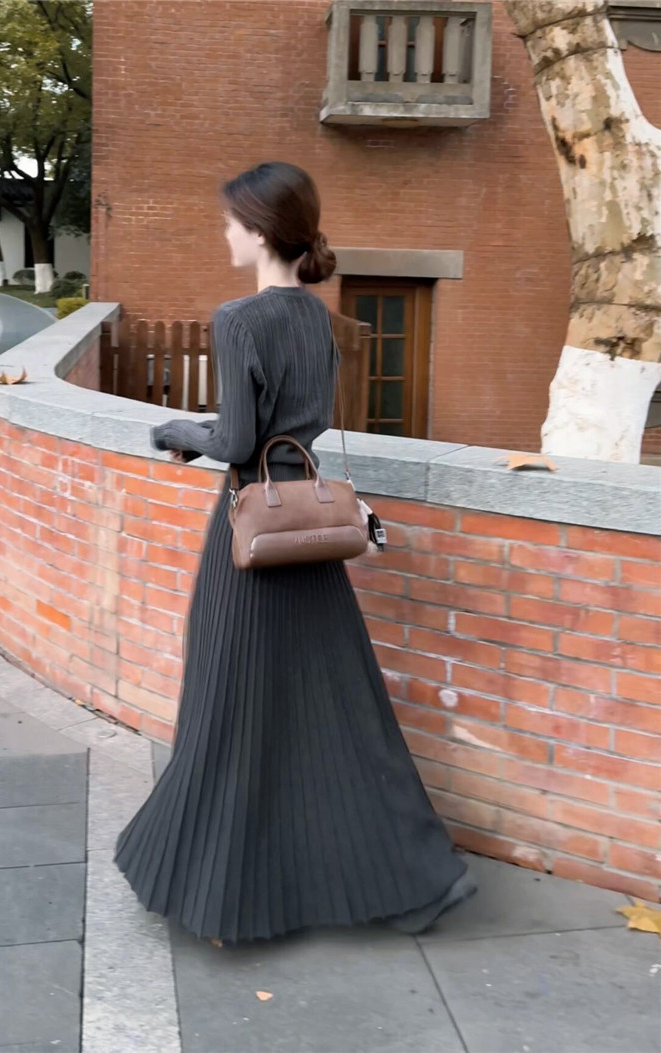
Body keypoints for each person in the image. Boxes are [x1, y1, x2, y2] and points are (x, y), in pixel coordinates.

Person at [114, 161, 476, 944]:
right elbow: (290, 426)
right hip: (309, 538)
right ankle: (419, 881)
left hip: (252, 537)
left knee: (228, 706)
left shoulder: (239, 318)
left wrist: (176, 429)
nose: (224, 233)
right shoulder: (318, 318)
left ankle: (223, 891)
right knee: (338, 710)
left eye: (230, 222)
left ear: (258, 229)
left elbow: (238, 440)